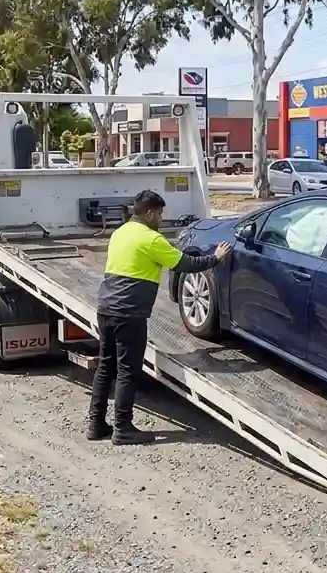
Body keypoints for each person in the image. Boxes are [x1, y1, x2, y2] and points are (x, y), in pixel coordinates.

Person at [89, 189, 232, 445]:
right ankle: (123, 428)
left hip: (106, 307)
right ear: (151, 213)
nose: (162, 218)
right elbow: (185, 264)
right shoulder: (152, 240)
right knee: (127, 371)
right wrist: (216, 258)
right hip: (129, 313)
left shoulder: (120, 233)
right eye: (161, 213)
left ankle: (96, 424)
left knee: (105, 366)